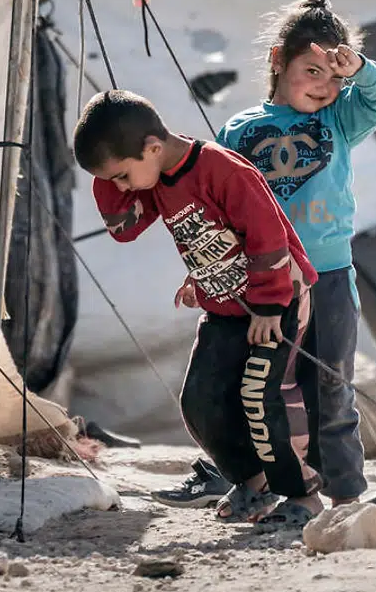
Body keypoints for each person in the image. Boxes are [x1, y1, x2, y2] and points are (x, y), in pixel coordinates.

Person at [157, 0, 376, 510]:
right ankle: (261, 483)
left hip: (329, 277)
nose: (324, 85)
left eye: (335, 76)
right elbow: (217, 209)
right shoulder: (238, 130)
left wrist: (360, 70)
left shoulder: (338, 120)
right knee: (248, 390)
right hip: (260, 281)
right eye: (311, 69)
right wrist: (203, 271)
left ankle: (345, 499)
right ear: (276, 60)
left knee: (328, 388)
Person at [74, 88, 325, 530]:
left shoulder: (221, 169)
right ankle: (253, 481)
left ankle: (303, 496)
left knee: (258, 397)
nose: (121, 187)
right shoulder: (156, 175)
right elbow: (124, 228)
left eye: (122, 175)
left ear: (152, 148)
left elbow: (266, 235)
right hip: (223, 306)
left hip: (276, 299)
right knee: (199, 401)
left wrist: (269, 304)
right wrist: (202, 275)